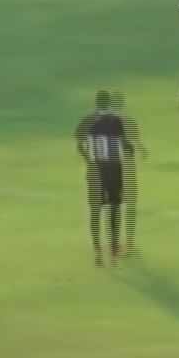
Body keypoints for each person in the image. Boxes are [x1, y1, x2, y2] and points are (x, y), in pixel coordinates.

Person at [74, 91, 139, 267]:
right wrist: (132, 150)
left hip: (95, 169)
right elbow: (125, 145)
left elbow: (80, 145)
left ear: (95, 104)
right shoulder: (115, 121)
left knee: (95, 209)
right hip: (113, 168)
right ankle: (113, 246)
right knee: (115, 207)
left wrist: (89, 161)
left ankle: (97, 249)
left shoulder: (86, 121)